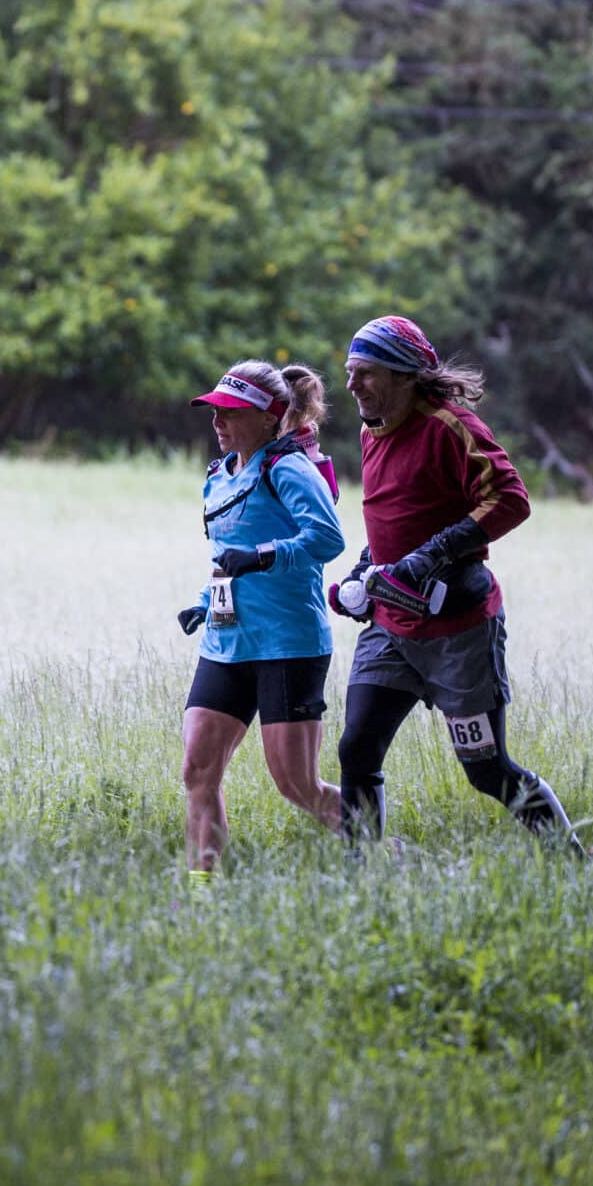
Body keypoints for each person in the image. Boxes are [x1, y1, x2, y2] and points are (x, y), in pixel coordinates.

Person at [330, 314, 589, 853]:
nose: (352, 385)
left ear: (405, 376)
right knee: (357, 749)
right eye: (350, 371)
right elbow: (394, 518)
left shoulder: (451, 427)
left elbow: (512, 499)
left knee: (486, 770)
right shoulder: (370, 429)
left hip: (460, 631)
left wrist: (433, 556)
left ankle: (573, 860)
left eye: (366, 373)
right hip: (391, 627)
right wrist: (363, 573)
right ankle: (361, 871)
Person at [176, 360, 347, 875]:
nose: (218, 421)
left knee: (297, 785)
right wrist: (205, 604)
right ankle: (200, 895)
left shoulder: (287, 468)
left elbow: (327, 538)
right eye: (214, 411)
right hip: (227, 644)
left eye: (231, 412)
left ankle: (385, 852)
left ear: (271, 416)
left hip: (288, 644)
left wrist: (263, 556)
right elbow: (226, 554)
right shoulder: (217, 476)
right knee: (196, 772)